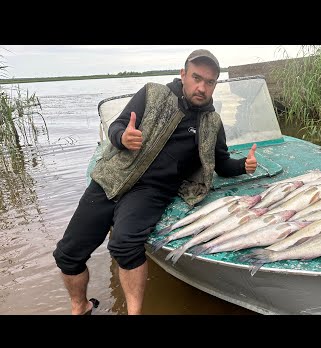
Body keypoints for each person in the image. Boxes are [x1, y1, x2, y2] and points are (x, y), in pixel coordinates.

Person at [53, 49, 258, 315]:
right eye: (196, 78)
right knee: (67, 254)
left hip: (152, 191)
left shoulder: (212, 123)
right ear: (183, 74)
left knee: (125, 244)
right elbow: (118, 126)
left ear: (215, 85)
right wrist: (122, 138)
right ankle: (80, 306)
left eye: (209, 82)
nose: (201, 87)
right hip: (114, 176)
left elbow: (221, 164)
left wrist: (243, 166)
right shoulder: (152, 94)